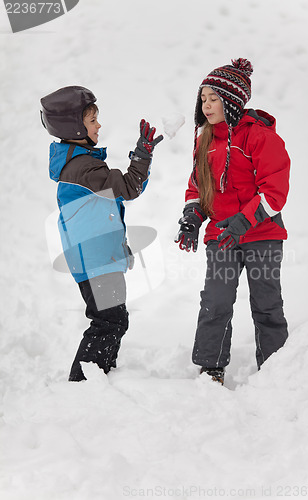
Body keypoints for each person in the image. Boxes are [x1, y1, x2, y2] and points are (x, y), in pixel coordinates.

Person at [175, 59, 290, 385]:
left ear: (232, 101)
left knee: (266, 305)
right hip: (222, 237)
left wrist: (244, 220)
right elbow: (197, 187)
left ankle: (275, 371)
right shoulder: (205, 140)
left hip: (263, 236)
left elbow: (275, 190)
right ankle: (210, 369)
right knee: (216, 302)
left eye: (213, 98)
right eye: (203, 98)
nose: (206, 105)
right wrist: (192, 217)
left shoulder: (260, 138)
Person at [41, 85, 163, 381]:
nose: (99, 125)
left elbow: (103, 210)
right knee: (109, 321)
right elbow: (128, 188)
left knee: (113, 320)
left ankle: (102, 374)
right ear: (75, 127)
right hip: (94, 262)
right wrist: (143, 156)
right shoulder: (83, 168)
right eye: (92, 120)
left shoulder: (80, 163)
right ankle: (83, 382)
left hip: (96, 259)